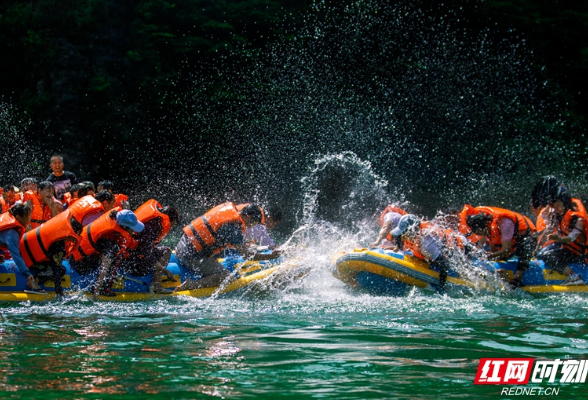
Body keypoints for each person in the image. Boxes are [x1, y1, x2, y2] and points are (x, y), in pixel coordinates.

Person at [174, 203, 264, 291]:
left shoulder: (228, 215)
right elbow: (247, 255)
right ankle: (192, 285)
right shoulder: (233, 227)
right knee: (227, 278)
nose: (254, 225)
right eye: (255, 222)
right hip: (190, 255)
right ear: (248, 216)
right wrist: (270, 256)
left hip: (182, 247)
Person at [68, 209, 141, 298]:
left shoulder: (113, 218)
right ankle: (104, 288)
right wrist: (95, 295)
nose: (133, 232)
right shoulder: (110, 242)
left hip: (75, 254)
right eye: (132, 229)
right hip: (79, 264)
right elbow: (104, 269)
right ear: (124, 228)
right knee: (118, 256)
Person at [463, 205, 537, 288]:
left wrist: (491, 255)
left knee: (527, 244)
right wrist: (493, 259)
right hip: (509, 243)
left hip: (522, 240)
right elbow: (493, 241)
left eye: (482, 233)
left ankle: (517, 278)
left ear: (485, 225)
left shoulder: (505, 223)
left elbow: (507, 250)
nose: (483, 235)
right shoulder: (488, 227)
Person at [392, 214, 466, 292]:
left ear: (411, 232)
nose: (401, 236)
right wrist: (397, 246)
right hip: (441, 249)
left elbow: (443, 264)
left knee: (436, 268)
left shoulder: (426, 245)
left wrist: (441, 285)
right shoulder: (413, 231)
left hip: (461, 249)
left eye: (402, 233)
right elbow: (399, 235)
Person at [119, 200, 179, 294]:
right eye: (173, 223)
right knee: (166, 251)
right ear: (169, 220)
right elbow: (147, 256)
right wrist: (165, 270)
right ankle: (156, 285)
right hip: (133, 266)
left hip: (125, 257)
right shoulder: (150, 230)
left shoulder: (150, 222)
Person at [19, 210, 82, 296]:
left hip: (23, 251)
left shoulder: (55, 233)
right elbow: (56, 270)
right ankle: (35, 280)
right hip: (26, 260)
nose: (77, 238)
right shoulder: (58, 246)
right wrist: (60, 294)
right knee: (61, 270)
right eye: (77, 235)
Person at [537, 192, 587, 285]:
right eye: (552, 204)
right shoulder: (558, 216)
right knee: (542, 254)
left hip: (581, 255)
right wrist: (536, 249)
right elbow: (547, 230)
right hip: (569, 250)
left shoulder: (577, 219)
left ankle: (574, 277)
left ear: (564, 203)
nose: (553, 206)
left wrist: (558, 238)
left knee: (548, 255)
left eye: (555, 203)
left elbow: (571, 238)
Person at [0, 204, 43, 292]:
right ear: (18, 217)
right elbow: (15, 255)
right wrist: (27, 274)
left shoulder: (8, 221)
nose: (28, 220)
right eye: (26, 217)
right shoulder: (11, 233)